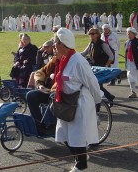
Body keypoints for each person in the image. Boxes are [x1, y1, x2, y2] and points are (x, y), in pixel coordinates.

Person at [53, 28, 102, 172]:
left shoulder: (78, 61)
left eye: (56, 42)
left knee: (77, 135)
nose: (54, 45)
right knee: (63, 134)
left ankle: (81, 165)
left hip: (80, 103)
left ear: (62, 44)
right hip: (66, 102)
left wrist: (97, 101)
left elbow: (92, 82)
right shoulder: (64, 59)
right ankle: (81, 157)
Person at [26, 47, 59, 135]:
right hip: (50, 91)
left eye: (57, 48)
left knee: (53, 96)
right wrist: (40, 85)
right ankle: (39, 124)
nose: (55, 50)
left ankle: (53, 125)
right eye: (54, 48)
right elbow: (40, 72)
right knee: (30, 95)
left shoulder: (68, 61)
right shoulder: (53, 61)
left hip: (62, 92)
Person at [81, 27, 115, 103]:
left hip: (101, 68)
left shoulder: (103, 44)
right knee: (97, 86)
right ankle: (109, 98)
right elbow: (84, 53)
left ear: (97, 35)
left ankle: (102, 102)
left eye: (93, 33)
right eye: (89, 34)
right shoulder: (91, 43)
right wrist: (74, 55)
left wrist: (106, 66)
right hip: (94, 68)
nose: (91, 35)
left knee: (97, 86)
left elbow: (111, 56)